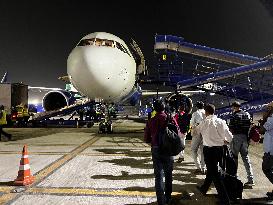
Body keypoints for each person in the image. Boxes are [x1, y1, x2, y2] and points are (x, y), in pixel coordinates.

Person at [144, 99, 180, 205]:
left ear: (154, 109)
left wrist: (153, 139)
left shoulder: (151, 120)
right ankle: (168, 198)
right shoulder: (170, 118)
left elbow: (146, 138)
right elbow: (177, 131)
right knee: (169, 175)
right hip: (168, 149)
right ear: (164, 108)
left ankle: (161, 201)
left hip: (156, 149)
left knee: (158, 176)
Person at [196, 104, 233, 205]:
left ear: (206, 112)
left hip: (208, 150)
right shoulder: (221, 121)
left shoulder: (204, 122)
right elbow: (230, 137)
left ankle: (225, 199)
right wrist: (225, 141)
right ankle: (204, 188)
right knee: (211, 170)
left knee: (214, 173)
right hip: (220, 150)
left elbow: (195, 132)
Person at [229, 101, 255, 188]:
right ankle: (251, 180)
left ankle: (234, 178)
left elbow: (231, 128)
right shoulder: (247, 114)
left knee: (234, 158)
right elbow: (250, 125)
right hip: (245, 138)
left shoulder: (234, 115)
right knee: (246, 158)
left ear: (234, 107)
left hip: (236, 137)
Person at [260, 102, 273, 199]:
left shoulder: (271, 118)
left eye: (268, 108)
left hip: (270, 149)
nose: (266, 110)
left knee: (266, 169)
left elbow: (262, 130)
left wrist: (264, 119)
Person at [190, 101, 206, 174]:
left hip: (197, 133)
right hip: (205, 134)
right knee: (203, 151)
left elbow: (192, 124)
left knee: (193, 150)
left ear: (196, 106)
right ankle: (203, 168)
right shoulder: (206, 113)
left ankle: (198, 167)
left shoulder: (195, 113)